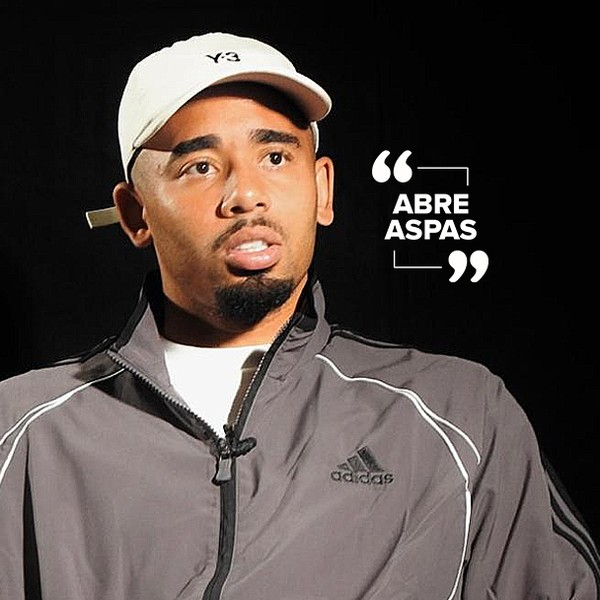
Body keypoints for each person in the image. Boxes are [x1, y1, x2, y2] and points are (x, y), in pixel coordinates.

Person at [0, 31, 597, 600]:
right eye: (200, 166)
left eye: (275, 156)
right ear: (136, 215)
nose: (247, 195)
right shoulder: (21, 430)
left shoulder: (462, 414)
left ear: (322, 188)